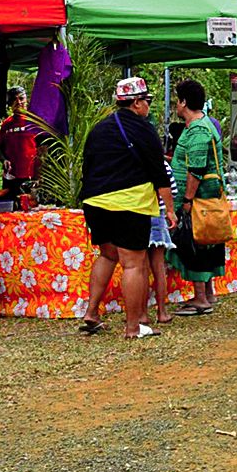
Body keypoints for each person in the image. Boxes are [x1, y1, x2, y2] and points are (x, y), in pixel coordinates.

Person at [78, 77, 175, 338]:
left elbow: (86, 167)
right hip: (130, 203)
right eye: (147, 101)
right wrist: (171, 209)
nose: (148, 107)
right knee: (133, 263)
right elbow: (159, 173)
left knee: (108, 255)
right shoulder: (143, 130)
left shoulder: (98, 129)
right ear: (136, 103)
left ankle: (91, 311)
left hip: (94, 202)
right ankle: (134, 327)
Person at [166, 79, 226, 315]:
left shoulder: (199, 129)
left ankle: (201, 297)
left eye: (177, 101)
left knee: (195, 241)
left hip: (198, 198)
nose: (175, 106)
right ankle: (207, 293)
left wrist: (188, 199)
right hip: (202, 197)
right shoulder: (200, 126)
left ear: (183, 102)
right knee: (204, 240)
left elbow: (197, 168)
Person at [0, 86, 40, 195]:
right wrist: (4, 160)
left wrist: (39, 175)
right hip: (11, 177)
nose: (19, 102)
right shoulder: (6, 124)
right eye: (14, 100)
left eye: (21, 99)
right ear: (10, 104)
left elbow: (43, 149)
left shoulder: (35, 121)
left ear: (26, 99)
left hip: (31, 178)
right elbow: (0, 150)